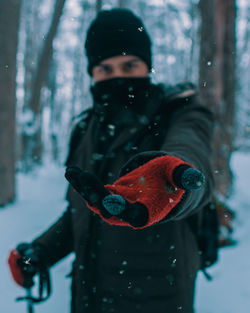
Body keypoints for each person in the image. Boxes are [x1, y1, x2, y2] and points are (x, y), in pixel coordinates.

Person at [8, 8, 215, 313]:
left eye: (129, 65)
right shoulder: (85, 129)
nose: (117, 77)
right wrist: (42, 251)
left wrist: (170, 177)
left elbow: (191, 155)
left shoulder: (179, 113)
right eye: (105, 69)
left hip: (159, 299)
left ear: (147, 66)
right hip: (89, 297)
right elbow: (82, 210)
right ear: (92, 72)